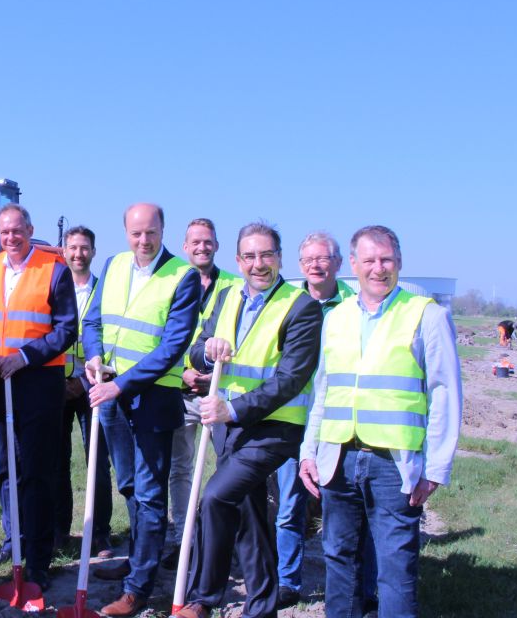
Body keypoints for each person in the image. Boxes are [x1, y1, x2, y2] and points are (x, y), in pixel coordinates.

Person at [299, 225, 462, 618]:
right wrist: (309, 449)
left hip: (393, 463)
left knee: (395, 564)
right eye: (368, 260)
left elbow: (445, 393)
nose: (378, 268)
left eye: (386, 259)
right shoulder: (336, 317)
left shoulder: (427, 315)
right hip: (338, 458)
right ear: (352, 265)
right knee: (338, 558)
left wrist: (436, 466)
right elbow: (324, 389)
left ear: (399, 263)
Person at [175, 222, 322, 618]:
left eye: (267, 255)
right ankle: (263, 605)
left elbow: (291, 378)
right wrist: (208, 350)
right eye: (250, 256)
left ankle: (203, 597)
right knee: (251, 515)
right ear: (238, 260)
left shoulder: (301, 306)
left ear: (279, 257)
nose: (259, 264)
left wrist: (233, 409)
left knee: (216, 497)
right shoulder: (226, 297)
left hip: (274, 429)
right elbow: (195, 351)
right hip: (229, 429)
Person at [81, 203, 201, 617]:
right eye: (136, 234)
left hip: (151, 400)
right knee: (129, 486)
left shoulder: (182, 277)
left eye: (150, 233)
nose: (143, 241)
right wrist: (95, 357)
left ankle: (138, 590)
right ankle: (138, 560)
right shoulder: (113, 266)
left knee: (151, 496)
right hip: (111, 393)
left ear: (162, 230)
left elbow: (172, 347)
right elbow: (92, 322)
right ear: (125, 233)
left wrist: (119, 384)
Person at [0, 203, 77, 590]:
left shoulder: (54, 271)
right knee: (5, 469)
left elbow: (66, 329)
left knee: (37, 472)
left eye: (17, 231)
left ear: (29, 229)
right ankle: (13, 542)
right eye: (4, 232)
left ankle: (39, 559)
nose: (11, 238)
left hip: (38, 383)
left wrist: (24, 358)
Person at [273, 231, 359, 609]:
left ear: (338, 264)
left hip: (337, 420)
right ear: (299, 265)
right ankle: (288, 580)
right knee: (289, 502)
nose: (315, 266)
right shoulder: (287, 303)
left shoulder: (356, 306)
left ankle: (351, 583)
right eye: (308, 260)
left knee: (341, 505)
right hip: (291, 416)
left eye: (322, 259)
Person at [164, 218, 242, 570]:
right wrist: (183, 370)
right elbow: (163, 333)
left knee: (231, 466)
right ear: (185, 246)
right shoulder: (171, 280)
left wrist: (212, 373)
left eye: (208, 242)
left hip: (219, 391)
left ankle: (231, 539)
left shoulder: (235, 286)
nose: (202, 247)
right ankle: (182, 539)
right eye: (195, 241)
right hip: (179, 390)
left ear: (216, 246)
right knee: (179, 468)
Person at [55, 225, 114, 558]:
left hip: (94, 385)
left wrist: (84, 379)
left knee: (97, 461)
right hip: (58, 387)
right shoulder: (54, 288)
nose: (78, 253)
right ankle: (59, 531)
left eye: (85, 248)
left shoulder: (103, 291)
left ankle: (101, 534)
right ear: (64, 250)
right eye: (73, 247)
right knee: (58, 462)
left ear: (93, 252)